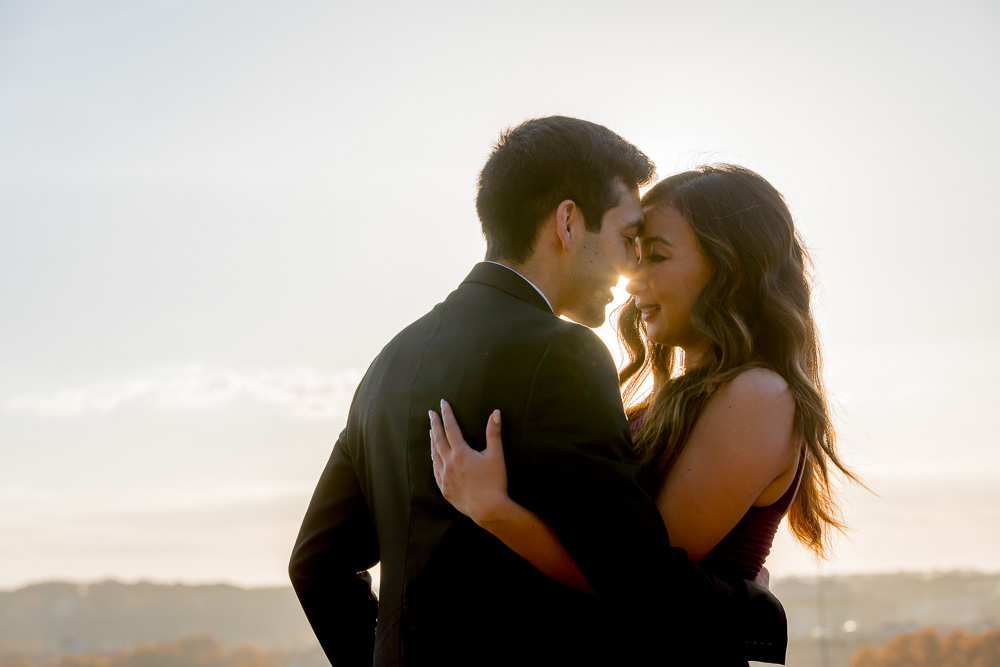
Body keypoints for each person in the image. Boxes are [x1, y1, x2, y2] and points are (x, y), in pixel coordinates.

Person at [289, 119, 786, 666]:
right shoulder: (561, 354)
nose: (629, 273)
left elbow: (317, 565)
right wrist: (754, 610)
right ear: (568, 223)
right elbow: (633, 576)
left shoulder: (391, 361)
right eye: (627, 242)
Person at [430, 164, 859, 664]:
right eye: (634, 254)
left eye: (655, 255)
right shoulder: (675, 398)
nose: (633, 279)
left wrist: (496, 512)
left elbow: (639, 580)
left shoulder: (758, 394)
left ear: (730, 266)